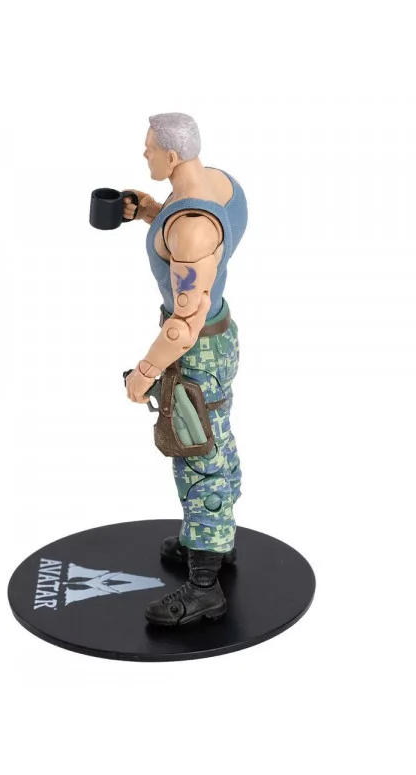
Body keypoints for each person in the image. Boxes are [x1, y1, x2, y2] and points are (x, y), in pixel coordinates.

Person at [123, 113, 248, 625]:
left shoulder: (192, 230)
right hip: (220, 335)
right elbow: (201, 241)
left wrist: (145, 371)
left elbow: (183, 325)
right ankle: (216, 539)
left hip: (196, 351)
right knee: (215, 438)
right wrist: (152, 212)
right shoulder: (219, 183)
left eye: (149, 148)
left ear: (172, 156)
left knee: (197, 457)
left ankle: (203, 588)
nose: (144, 154)